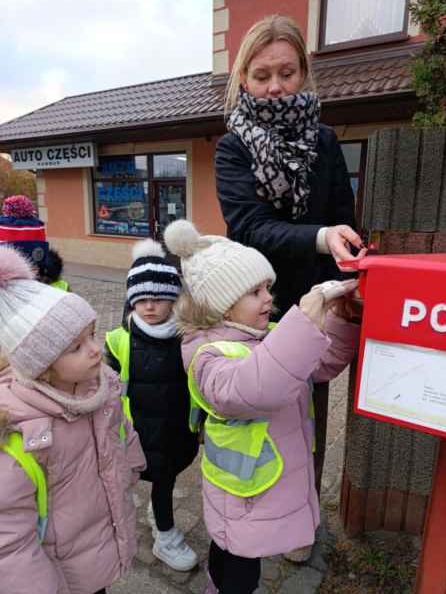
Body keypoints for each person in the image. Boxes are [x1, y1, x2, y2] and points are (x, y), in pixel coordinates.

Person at [215, 15, 367, 509]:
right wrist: (322, 237)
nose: (275, 87)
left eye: (286, 73)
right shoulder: (232, 148)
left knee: (310, 424)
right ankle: (248, 515)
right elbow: (249, 227)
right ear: (244, 79)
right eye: (262, 75)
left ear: (303, 72)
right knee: (255, 417)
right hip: (251, 308)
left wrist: (345, 286)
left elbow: (344, 218)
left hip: (314, 308)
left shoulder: (325, 141)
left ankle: (304, 513)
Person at [164, 220, 362, 594]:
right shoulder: (206, 355)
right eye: (254, 291)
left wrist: (341, 316)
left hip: (263, 484)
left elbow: (322, 363)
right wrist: (302, 323)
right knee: (238, 566)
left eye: (268, 287)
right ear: (222, 307)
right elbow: (256, 388)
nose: (268, 298)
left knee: (239, 555)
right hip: (242, 493)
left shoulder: (266, 336)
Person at [0, 245, 146, 594]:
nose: (95, 349)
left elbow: (121, 432)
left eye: (92, 335)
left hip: (98, 547)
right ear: (42, 368)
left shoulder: (101, 387)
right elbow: (10, 543)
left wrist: (131, 468)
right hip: (59, 572)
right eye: (76, 347)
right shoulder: (21, 433)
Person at [104, 238, 199, 572]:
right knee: (152, 483)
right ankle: (164, 535)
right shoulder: (118, 340)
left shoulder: (188, 336)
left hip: (176, 430)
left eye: (158, 298)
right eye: (141, 299)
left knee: (166, 478)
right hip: (136, 433)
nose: (149, 306)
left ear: (173, 299)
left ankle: (160, 525)